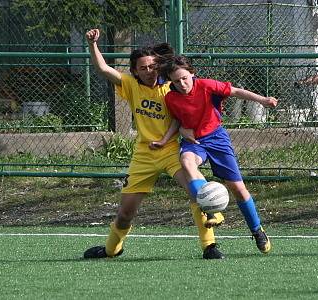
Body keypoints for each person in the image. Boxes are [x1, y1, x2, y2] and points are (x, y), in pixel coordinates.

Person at [83, 29, 225, 260]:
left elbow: (193, 105)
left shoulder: (172, 86)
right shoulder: (130, 85)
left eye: (152, 66)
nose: (149, 71)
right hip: (144, 155)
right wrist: (93, 44)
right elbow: (103, 69)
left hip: (170, 151)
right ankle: (111, 249)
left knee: (197, 191)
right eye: (143, 67)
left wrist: (187, 129)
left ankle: (209, 246)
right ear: (134, 71)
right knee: (125, 213)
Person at [157, 55, 278, 254]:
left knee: (238, 189)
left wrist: (263, 100)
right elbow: (177, 120)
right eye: (176, 81)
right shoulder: (171, 97)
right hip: (194, 142)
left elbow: (236, 91)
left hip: (217, 139)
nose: (182, 84)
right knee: (186, 162)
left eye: (185, 78)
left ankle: (257, 230)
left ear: (192, 74)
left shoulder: (206, 85)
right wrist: (171, 136)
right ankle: (213, 210)